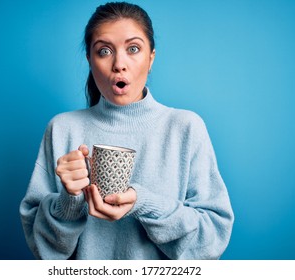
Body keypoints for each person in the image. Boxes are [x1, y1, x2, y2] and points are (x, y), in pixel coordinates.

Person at [20, 1, 234, 260]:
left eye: (133, 49)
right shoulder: (63, 129)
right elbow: (42, 248)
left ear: (151, 57)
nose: (119, 64)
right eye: (104, 51)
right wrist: (69, 201)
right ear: (89, 59)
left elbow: (211, 240)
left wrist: (142, 203)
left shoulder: (185, 128)